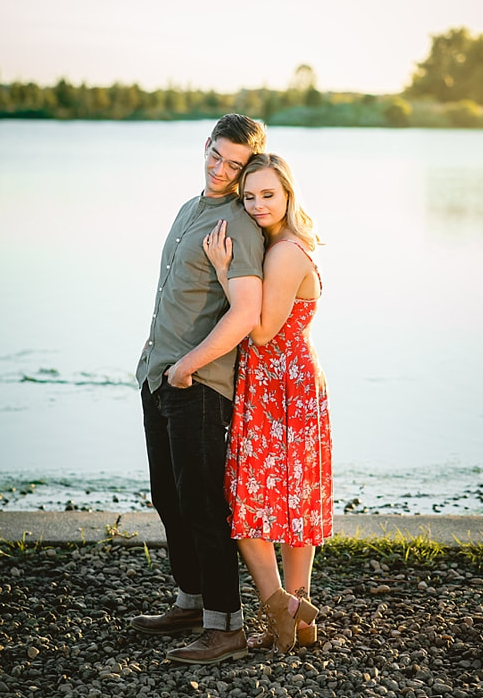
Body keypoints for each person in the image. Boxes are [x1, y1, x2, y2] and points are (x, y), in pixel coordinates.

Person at [132, 113, 267, 663]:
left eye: (235, 164)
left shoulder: (237, 224)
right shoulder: (191, 209)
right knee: (168, 496)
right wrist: (156, 365)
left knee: (203, 504)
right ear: (205, 145)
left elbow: (246, 313)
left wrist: (187, 366)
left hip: (199, 384)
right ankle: (190, 603)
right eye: (216, 155)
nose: (221, 169)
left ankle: (226, 625)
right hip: (158, 376)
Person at [202, 152, 332, 654]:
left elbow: (258, 330)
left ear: (288, 194)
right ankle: (299, 619)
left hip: (280, 384)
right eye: (249, 196)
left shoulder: (283, 253)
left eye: (267, 195)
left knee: (246, 500)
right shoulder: (282, 243)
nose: (257, 205)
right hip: (291, 381)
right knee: (295, 501)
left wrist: (222, 270)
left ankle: (282, 603)